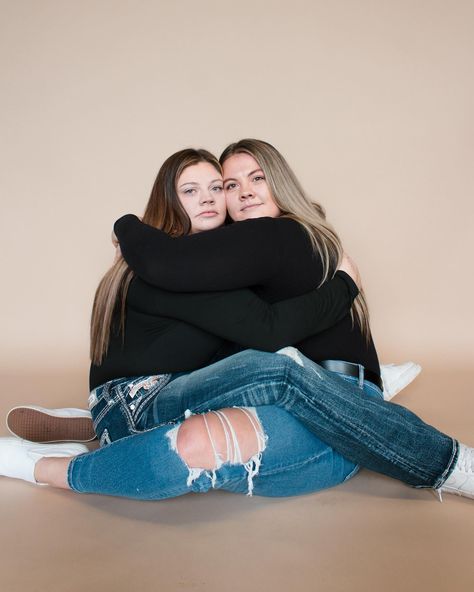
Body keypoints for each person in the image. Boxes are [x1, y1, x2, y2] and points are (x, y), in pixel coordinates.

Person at [2, 141, 471, 501]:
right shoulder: (169, 269)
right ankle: (450, 463)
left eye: (217, 188)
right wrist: (126, 224)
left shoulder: (221, 262)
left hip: (179, 389)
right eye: (196, 190)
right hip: (136, 401)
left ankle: (357, 390)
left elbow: (257, 325)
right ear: (169, 201)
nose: (216, 198)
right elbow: (266, 333)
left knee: (282, 383)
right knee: (283, 367)